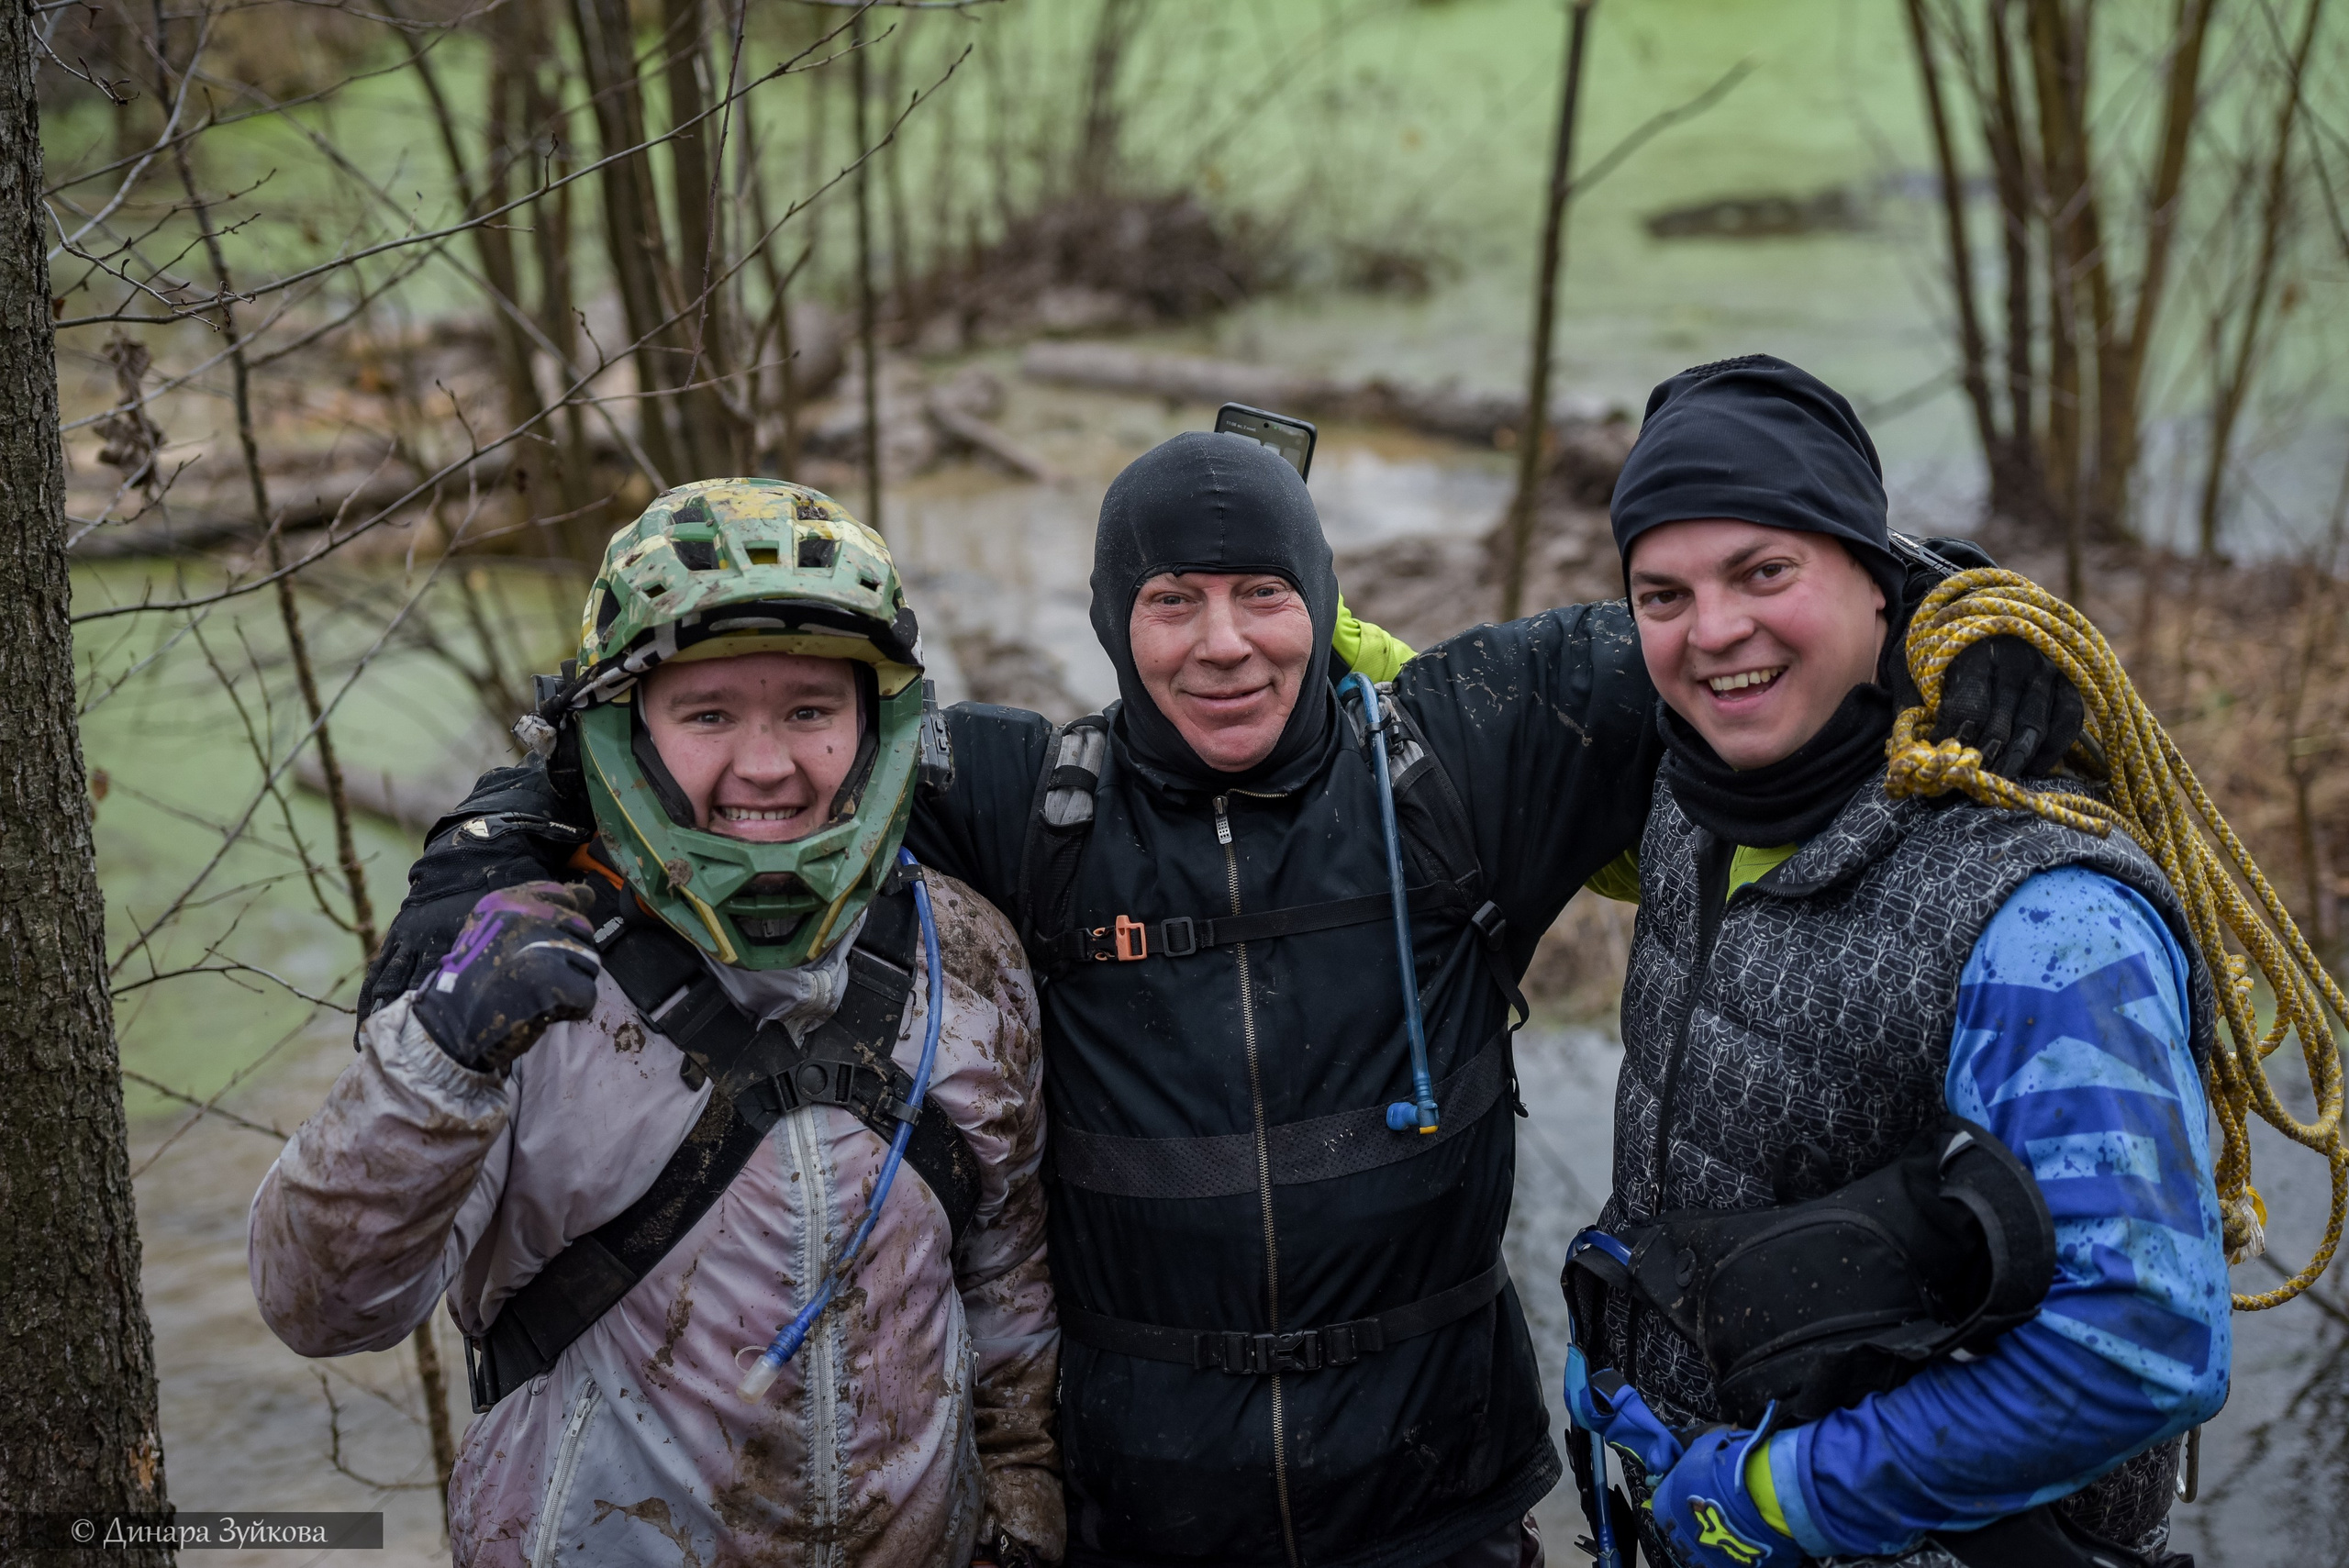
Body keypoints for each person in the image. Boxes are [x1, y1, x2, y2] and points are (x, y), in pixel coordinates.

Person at [362, 428, 2075, 1568]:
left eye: (1264, 593)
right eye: (1173, 603)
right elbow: (698, 771)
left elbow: (1753, 621)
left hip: (1442, 1501)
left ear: (1323, 604)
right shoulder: (1022, 805)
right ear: (1117, 624)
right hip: (1141, 1516)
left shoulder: (1469, 755)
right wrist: (454, 929)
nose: (1225, 640)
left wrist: (1956, 610)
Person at [250, 482, 1062, 1568]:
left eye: (809, 711)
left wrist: (1019, 1495)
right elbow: (321, 1307)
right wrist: (434, 1059)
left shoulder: (964, 955)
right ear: (625, 730)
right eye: (709, 713)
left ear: (877, 724)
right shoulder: (520, 974)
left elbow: (1007, 1279)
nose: (766, 765)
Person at [1563, 356, 2228, 1568]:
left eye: (1766, 572)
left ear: (1880, 584)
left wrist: (1781, 1498)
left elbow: (2143, 1344)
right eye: (1663, 593)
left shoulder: (2044, 920)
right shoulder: (1685, 801)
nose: (1715, 631)